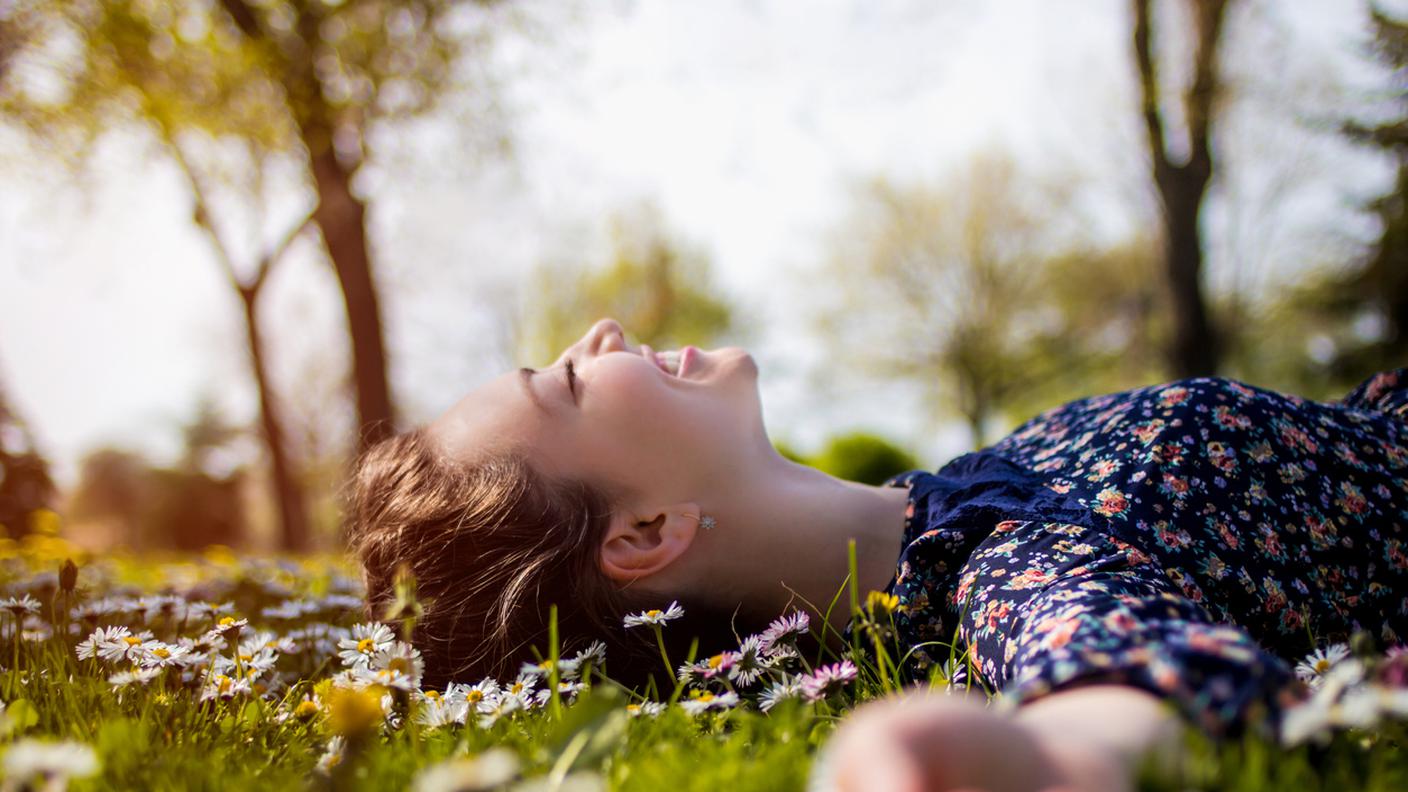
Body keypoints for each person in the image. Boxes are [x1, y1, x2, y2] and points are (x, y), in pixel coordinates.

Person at [347, 317, 1408, 791]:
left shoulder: (953, 495)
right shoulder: (1005, 570)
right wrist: (1041, 766)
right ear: (641, 534)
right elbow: (1126, 677)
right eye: (567, 385)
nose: (605, 331)